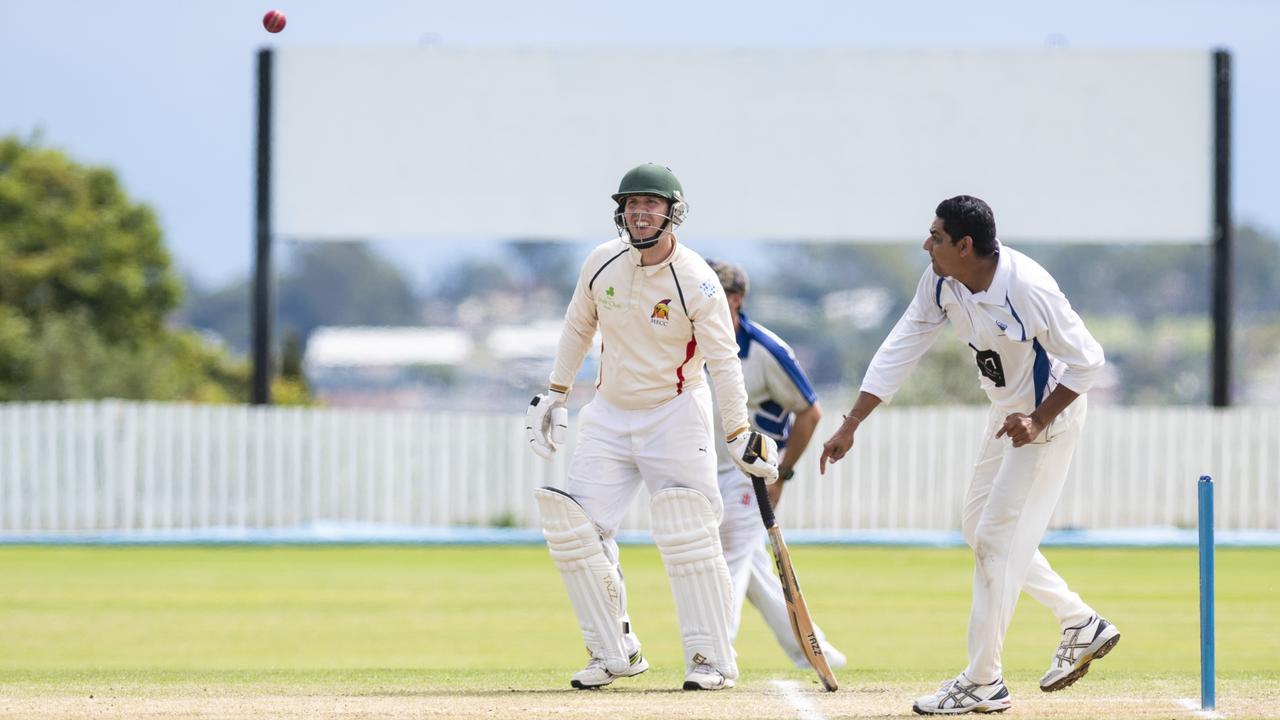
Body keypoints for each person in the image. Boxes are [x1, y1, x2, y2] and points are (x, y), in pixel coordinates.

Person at [819, 196, 1120, 715]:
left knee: (995, 545)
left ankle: (983, 682)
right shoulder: (941, 280)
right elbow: (901, 346)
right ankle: (1079, 622)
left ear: (965, 245)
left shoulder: (1028, 288)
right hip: (1006, 415)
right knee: (976, 528)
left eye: (935, 237)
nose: (925, 244)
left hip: (1046, 422)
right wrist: (851, 423)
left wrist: (1039, 419)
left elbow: (1088, 363)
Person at [525, 163, 780, 692]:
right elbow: (578, 325)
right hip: (609, 412)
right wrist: (554, 392)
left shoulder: (697, 281)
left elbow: (724, 360)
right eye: (631, 204)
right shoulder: (602, 263)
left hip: (676, 411)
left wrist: (737, 433)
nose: (640, 213)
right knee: (577, 532)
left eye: (651, 204)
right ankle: (613, 652)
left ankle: (710, 660)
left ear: (673, 212)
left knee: (689, 528)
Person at [705, 259, 847, 671]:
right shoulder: (689, 342)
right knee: (751, 567)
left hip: (749, 472)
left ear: (736, 299)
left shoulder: (766, 350)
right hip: (703, 470)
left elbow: (810, 412)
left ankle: (716, 659)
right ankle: (816, 651)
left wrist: (781, 474)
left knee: (728, 557)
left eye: (712, 294)